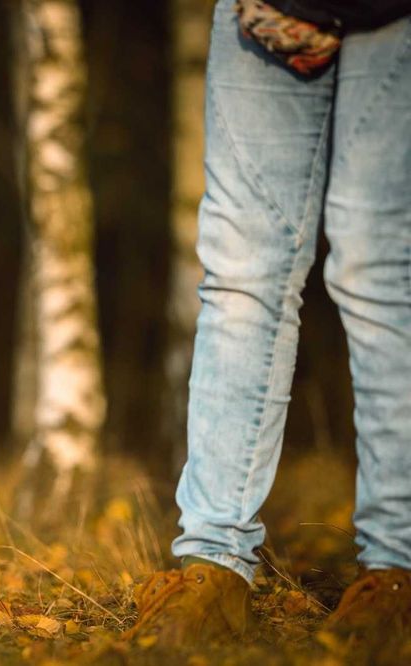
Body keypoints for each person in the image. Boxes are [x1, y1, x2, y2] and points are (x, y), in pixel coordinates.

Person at [127, 0, 411, 646]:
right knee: (239, 270)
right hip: (263, 9)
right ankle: (212, 567)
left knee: (378, 266)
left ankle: (398, 571)